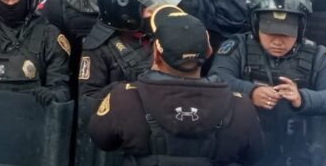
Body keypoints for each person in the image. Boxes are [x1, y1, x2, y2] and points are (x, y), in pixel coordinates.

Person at [89, 8, 266, 164]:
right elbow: (255, 156)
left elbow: (101, 139)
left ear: (157, 54)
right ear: (209, 51)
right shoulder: (241, 107)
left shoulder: (124, 99)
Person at [209, 0, 326, 165]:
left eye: (286, 34)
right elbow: (216, 78)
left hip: (298, 148)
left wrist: (302, 99)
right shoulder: (237, 46)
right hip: (245, 147)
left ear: (300, 28)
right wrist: (250, 92)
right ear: (256, 24)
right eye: (270, 32)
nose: (277, 41)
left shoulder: (318, 55)